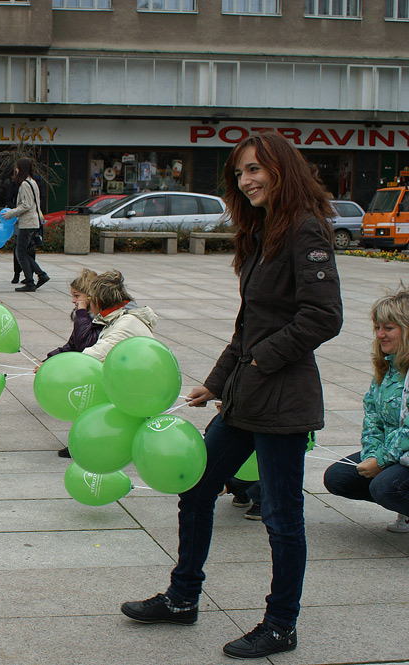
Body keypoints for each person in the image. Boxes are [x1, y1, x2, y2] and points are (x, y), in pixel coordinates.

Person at [120, 131, 343, 660]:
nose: (246, 181)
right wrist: (217, 380)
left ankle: (281, 625)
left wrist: (262, 359)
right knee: (197, 490)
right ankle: (182, 598)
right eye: (240, 173)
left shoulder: (305, 228)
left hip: (282, 401)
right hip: (245, 396)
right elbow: (249, 324)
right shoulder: (265, 230)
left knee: (282, 518)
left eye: (255, 169)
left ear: (282, 169)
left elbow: (324, 316)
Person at [323, 285, 409, 533]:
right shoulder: (387, 367)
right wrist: (372, 454)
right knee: (338, 478)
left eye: (388, 328)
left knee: (385, 486)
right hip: (396, 454)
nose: (380, 334)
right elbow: (372, 417)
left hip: (400, 454)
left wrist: (381, 461)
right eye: (377, 327)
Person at [56, 270, 155, 457]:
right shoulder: (118, 317)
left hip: (136, 388)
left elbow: (92, 354)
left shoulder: (126, 323)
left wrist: (62, 366)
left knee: (88, 385)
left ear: (97, 300)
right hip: (132, 381)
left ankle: (87, 442)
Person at [79, 271, 156, 363]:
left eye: (89, 298)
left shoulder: (127, 323)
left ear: (97, 302)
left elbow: (94, 355)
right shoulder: (119, 318)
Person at [1, 158, 49, 292]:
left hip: (27, 223)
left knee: (20, 253)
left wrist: (11, 213)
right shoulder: (33, 182)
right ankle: (40, 275)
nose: (15, 170)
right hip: (33, 221)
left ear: (20, 168)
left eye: (17, 167)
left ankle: (31, 282)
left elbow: (26, 205)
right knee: (23, 252)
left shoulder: (25, 184)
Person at [44, 268, 102, 359]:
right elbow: (72, 344)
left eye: (77, 296)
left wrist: (82, 313)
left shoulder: (98, 319)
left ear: (90, 296)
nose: (73, 301)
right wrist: (49, 359)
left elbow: (82, 345)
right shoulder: (84, 316)